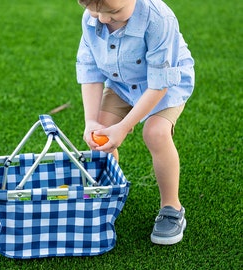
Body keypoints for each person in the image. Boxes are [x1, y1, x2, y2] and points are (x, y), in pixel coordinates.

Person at [76, 0, 195, 245]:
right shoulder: (93, 18)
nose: (103, 19)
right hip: (121, 85)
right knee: (100, 132)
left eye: (114, 12)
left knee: (156, 133)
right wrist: (90, 121)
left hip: (163, 86)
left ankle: (172, 208)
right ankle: (103, 196)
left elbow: (159, 83)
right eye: (94, 10)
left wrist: (125, 126)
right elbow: (90, 70)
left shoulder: (158, 18)